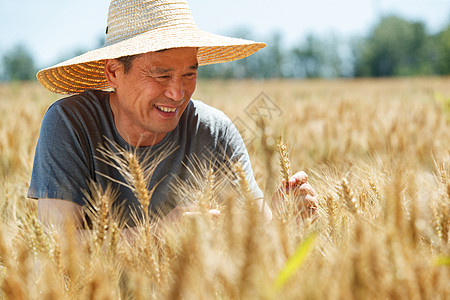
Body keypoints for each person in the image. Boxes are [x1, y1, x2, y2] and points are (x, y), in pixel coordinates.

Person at [29, 0, 318, 230]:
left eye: (189, 74)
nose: (178, 93)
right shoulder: (69, 124)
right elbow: (60, 251)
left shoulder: (214, 131)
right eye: (162, 75)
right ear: (114, 72)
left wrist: (282, 220)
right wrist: (157, 237)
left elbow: (255, 234)